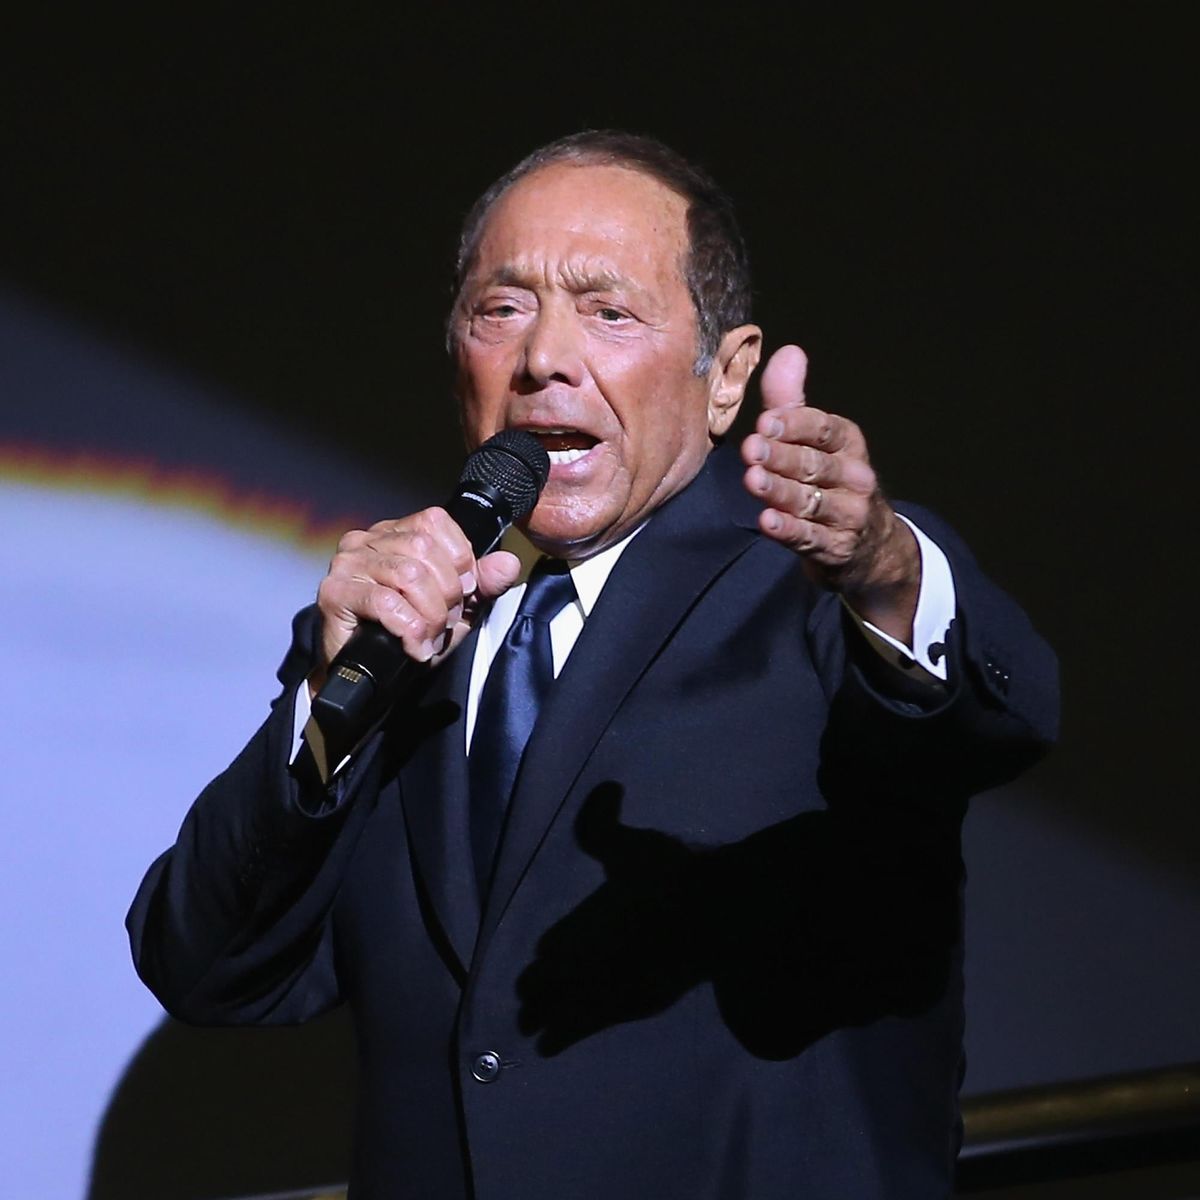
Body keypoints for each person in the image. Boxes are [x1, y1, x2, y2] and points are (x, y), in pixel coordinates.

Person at [128, 131, 1058, 1199]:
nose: (544, 358)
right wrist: (327, 714)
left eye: (609, 312)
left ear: (727, 377)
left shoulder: (822, 588)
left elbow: (1007, 719)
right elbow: (206, 964)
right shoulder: (395, 621)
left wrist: (887, 566)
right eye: (502, 309)